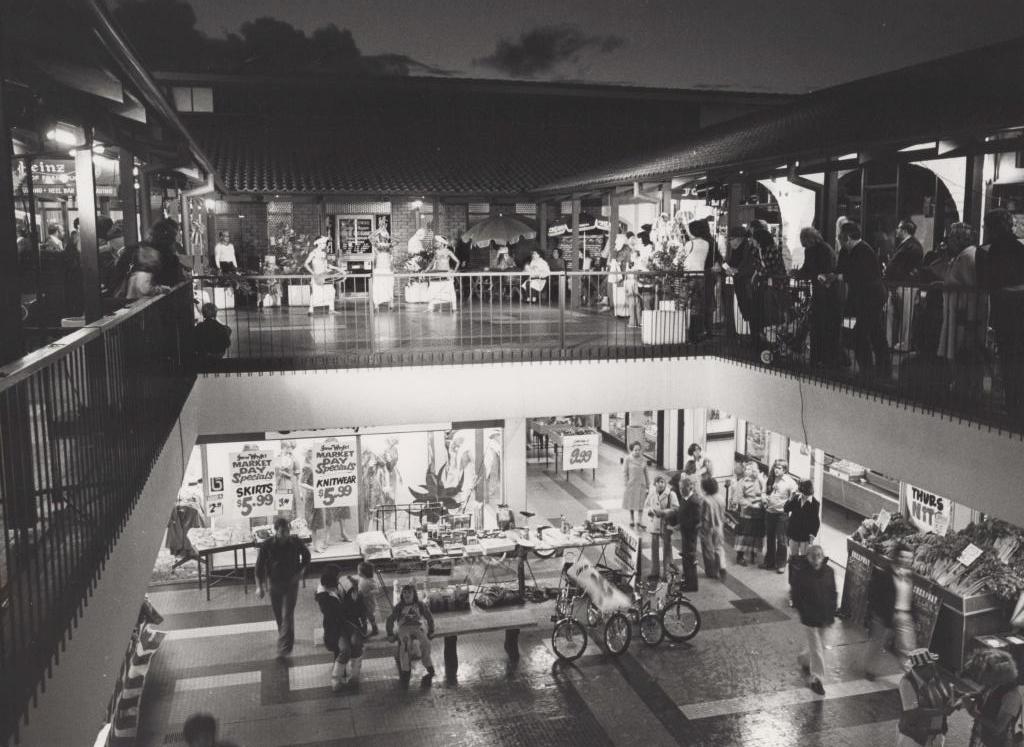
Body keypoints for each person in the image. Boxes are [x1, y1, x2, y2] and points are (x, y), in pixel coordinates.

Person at [976, 208, 1024, 422]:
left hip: (1003, 310)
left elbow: (984, 282)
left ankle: (1012, 405)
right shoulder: (1020, 248)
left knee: (1007, 358)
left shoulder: (988, 251)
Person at [825, 221, 890, 375]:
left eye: (840, 238)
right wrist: (833, 275)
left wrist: (837, 277)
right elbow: (841, 270)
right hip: (860, 298)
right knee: (873, 332)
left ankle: (868, 369)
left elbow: (860, 275)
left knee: (862, 333)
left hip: (871, 298)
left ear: (847, 237)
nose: (839, 241)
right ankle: (879, 367)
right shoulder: (849, 251)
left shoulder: (864, 251)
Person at [255, 517, 311, 657]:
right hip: (274, 583)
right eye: (282, 532)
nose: (285, 534)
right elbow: (259, 567)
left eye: (287, 531)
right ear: (276, 531)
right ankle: (285, 636)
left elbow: (306, 556)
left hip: (292, 582)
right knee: (278, 614)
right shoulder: (267, 545)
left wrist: (302, 572)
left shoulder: (295, 542)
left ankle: (285, 646)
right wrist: (259, 587)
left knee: (288, 614)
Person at [866, 544, 917, 678]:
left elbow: (911, 597)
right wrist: (878, 613)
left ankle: (909, 674)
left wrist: (913, 615)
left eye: (909, 558)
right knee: (877, 644)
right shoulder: (885, 574)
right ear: (896, 556)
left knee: (907, 647)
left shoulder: (910, 575)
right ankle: (870, 669)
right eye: (902, 556)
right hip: (884, 615)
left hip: (904, 615)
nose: (905, 560)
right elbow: (873, 594)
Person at [791, 545, 836, 695]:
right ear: (808, 557)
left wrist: (831, 614)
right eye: (813, 556)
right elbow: (796, 595)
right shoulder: (801, 574)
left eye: (819, 555)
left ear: (823, 557)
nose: (816, 559)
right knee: (817, 648)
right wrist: (803, 612)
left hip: (824, 616)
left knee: (818, 646)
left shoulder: (829, 572)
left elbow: (833, 594)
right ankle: (817, 678)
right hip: (810, 617)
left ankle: (804, 659)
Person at [793, 227, 841, 366]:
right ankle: (821, 357)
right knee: (819, 325)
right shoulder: (818, 249)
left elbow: (818, 270)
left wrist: (800, 274)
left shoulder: (822, 250)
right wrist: (799, 273)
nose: (804, 245)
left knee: (823, 325)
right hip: (821, 291)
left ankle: (823, 357)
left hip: (827, 292)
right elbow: (808, 269)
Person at [110, 218, 187, 300]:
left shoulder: (133, 249)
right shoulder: (153, 254)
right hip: (147, 304)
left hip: (126, 301)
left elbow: (116, 277)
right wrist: (160, 289)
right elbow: (144, 286)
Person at [315, 565, 366, 690]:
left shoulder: (334, 587)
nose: (339, 580)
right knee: (345, 650)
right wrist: (353, 598)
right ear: (331, 580)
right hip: (337, 628)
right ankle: (336, 680)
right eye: (337, 577)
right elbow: (339, 612)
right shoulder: (324, 597)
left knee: (357, 644)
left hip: (349, 623)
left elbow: (349, 604)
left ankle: (354, 677)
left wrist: (354, 592)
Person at [961, 648, 1023, 746]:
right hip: (980, 736)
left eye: (983, 675)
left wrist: (973, 713)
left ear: (997, 674)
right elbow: (984, 696)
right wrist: (967, 695)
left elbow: (998, 728)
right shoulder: (994, 684)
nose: (979, 679)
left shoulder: (1012, 696)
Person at [897, 649, 957, 747]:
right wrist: (942, 711)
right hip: (914, 739)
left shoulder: (934, 677)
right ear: (919, 669)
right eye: (930, 666)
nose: (934, 669)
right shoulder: (907, 683)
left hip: (937, 733)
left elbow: (945, 695)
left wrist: (958, 697)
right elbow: (912, 712)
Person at [386, 583, 436, 683]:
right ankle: (406, 673)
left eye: (409, 592)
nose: (407, 595)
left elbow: (429, 616)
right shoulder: (399, 606)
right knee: (405, 645)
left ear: (414, 594)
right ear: (402, 594)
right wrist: (390, 634)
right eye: (404, 592)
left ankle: (429, 668)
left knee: (426, 643)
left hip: (417, 626)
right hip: (404, 628)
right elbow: (390, 620)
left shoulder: (420, 604)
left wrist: (431, 630)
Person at [785, 479, 821, 597]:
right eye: (802, 493)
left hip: (805, 536)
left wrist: (812, 535)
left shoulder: (815, 504)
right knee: (793, 560)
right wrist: (791, 497)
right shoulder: (796, 499)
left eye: (805, 494)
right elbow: (786, 509)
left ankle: (803, 586)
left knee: (805, 561)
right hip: (794, 534)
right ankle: (792, 586)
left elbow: (816, 522)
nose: (804, 496)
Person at [723, 225, 758, 335]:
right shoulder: (737, 250)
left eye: (731, 239)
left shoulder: (747, 249)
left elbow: (750, 267)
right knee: (746, 310)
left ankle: (753, 337)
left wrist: (736, 271)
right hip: (741, 285)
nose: (729, 242)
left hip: (747, 285)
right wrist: (725, 267)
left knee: (750, 310)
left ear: (739, 239)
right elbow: (730, 264)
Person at [763, 460, 797, 573]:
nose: (776, 470)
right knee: (770, 538)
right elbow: (764, 492)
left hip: (782, 514)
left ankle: (781, 564)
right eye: (775, 467)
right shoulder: (771, 478)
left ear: (785, 469)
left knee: (782, 540)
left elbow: (794, 496)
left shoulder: (790, 482)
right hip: (769, 512)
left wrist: (788, 507)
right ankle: (769, 561)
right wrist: (764, 498)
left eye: (779, 468)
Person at [642, 474, 679, 580]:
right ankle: (654, 572)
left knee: (667, 548)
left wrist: (663, 512)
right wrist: (649, 511)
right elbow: (647, 505)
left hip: (665, 524)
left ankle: (666, 573)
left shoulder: (671, 494)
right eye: (659, 482)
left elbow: (676, 509)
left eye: (663, 482)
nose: (661, 484)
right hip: (654, 524)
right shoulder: (652, 493)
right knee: (654, 548)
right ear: (655, 484)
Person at [733, 460, 766, 566]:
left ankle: (753, 553)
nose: (747, 471)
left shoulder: (759, 481)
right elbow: (739, 499)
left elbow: (764, 493)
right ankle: (740, 556)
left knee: (755, 534)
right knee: (744, 535)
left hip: (758, 512)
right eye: (746, 469)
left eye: (750, 469)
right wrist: (750, 504)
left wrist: (761, 501)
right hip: (747, 511)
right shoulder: (741, 482)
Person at [674, 474, 702, 592]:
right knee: (686, 557)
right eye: (679, 488)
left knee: (690, 558)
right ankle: (687, 581)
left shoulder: (694, 501)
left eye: (682, 488)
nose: (680, 491)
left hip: (690, 535)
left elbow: (696, 520)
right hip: (685, 534)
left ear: (689, 488)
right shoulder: (685, 499)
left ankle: (692, 585)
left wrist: (680, 525)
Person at [303, 241, 343, 315]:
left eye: (325, 243)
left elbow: (325, 266)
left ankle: (331, 309)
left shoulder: (324, 253)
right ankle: (311, 310)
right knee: (315, 293)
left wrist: (333, 269)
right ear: (318, 244)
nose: (324, 245)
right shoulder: (313, 253)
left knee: (331, 291)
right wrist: (313, 273)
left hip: (324, 275)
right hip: (317, 276)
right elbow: (306, 264)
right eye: (323, 243)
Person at [699, 476, 726, 580]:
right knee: (719, 547)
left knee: (708, 549)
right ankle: (722, 566)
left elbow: (704, 516)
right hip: (719, 526)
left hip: (708, 528)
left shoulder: (705, 500)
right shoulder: (721, 498)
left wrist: (701, 530)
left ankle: (712, 571)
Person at [622, 441, 650, 528]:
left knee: (641, 503)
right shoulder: (627, 459)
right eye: (635, 450)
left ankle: (640, 520)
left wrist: (648, 484)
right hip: (631, 484)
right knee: (631, 502)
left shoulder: (643, 459)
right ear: (631, 450)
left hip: (641, 484)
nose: (637, 452)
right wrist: (626, 482)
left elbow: (646, 473)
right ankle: (632, 519)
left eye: (638, 450)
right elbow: (625, 472)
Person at [370, 238, 395, 311]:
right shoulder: (377, 252)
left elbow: (391, 264)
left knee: (388, 287)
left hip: (387, 271)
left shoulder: (390, 253)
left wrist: (392, 270)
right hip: (379, 271)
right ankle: (377, 304)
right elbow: (371, 238)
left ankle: (390, 302)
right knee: (378, 288)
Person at [356, 561, 379, 637]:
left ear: (363, 572)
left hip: (369, 602)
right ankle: (364, 629)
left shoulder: (370, 580)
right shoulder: (361, 578)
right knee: (363, 616)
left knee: (370, 616)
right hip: (362, 601)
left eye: (358, 570)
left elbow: (376, 590)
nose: (357, 572)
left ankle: (375, 629)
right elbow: (359, 584)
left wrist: (368, 593)